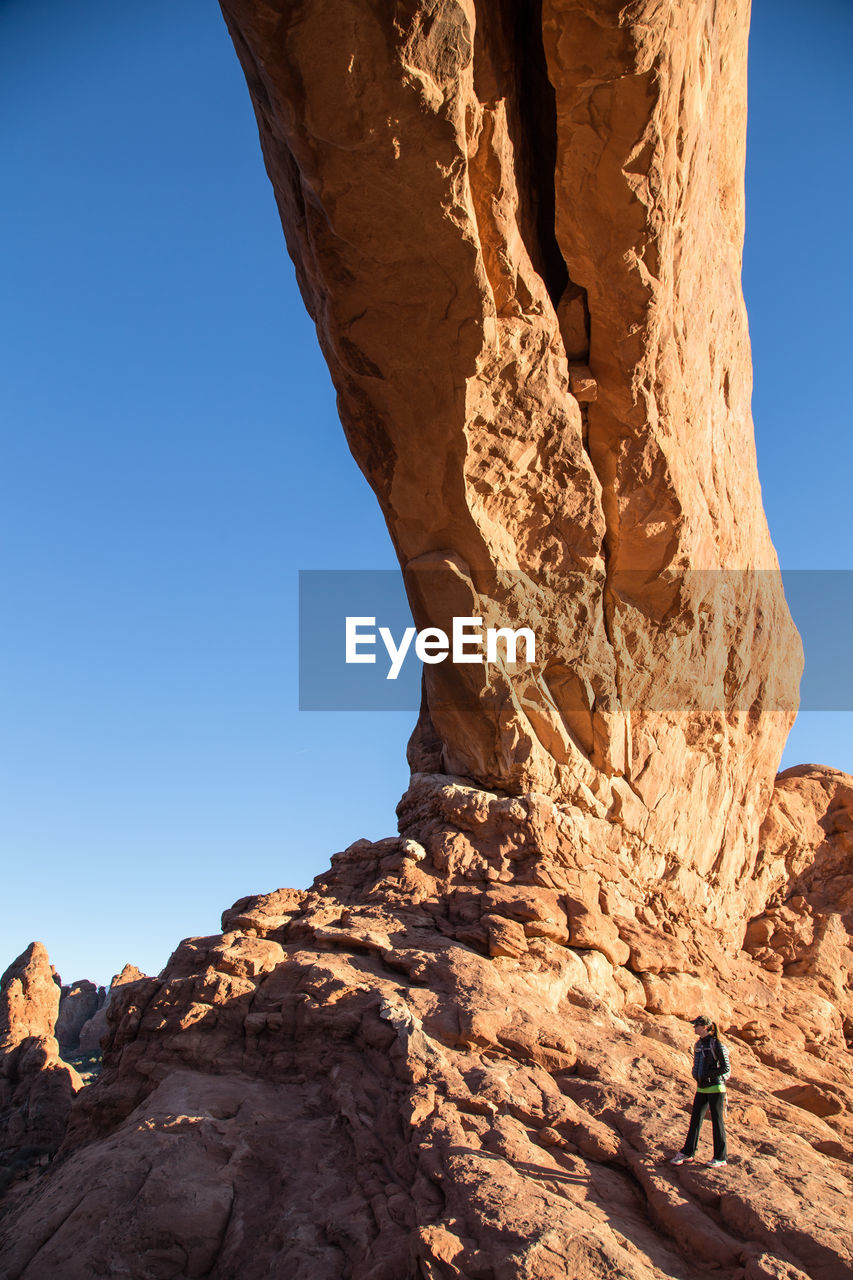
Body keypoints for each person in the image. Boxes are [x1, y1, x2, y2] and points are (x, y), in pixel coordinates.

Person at [670, 1014, 731, 1167]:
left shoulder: (716, 1044)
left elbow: (726, 1068)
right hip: (702, 1087)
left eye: (696, 1025)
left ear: (704, 1027)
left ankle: (720, 1157)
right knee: (695, 1119)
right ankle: (688, 1152)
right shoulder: (699, 1044)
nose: (694, 1027)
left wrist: (709, 1074)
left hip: (716, 1088)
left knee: (717, 1122)